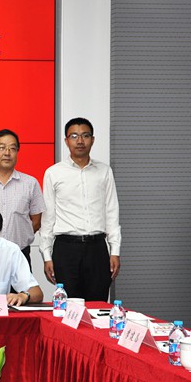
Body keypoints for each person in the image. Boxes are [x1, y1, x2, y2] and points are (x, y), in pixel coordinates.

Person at [39, 117, 121, 301]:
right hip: (65, 249)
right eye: (74, 136)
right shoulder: (53, 173)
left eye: (85, 135)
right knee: (68, 308)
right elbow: (48, 218)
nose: (80, 141)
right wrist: (46, 255)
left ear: (93, 139)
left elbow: (112, 212)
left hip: (97, 249)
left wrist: (115, 251)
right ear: (66, 140)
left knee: (98, 306)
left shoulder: (104, 171)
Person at [0, 129, 45, 270]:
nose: (7, 153)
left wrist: (20, 236)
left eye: (12, 148)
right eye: (1, 148)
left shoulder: (30, 183)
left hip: (20, 254)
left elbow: (36, 221)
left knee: (22, 286)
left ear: (17, 152)